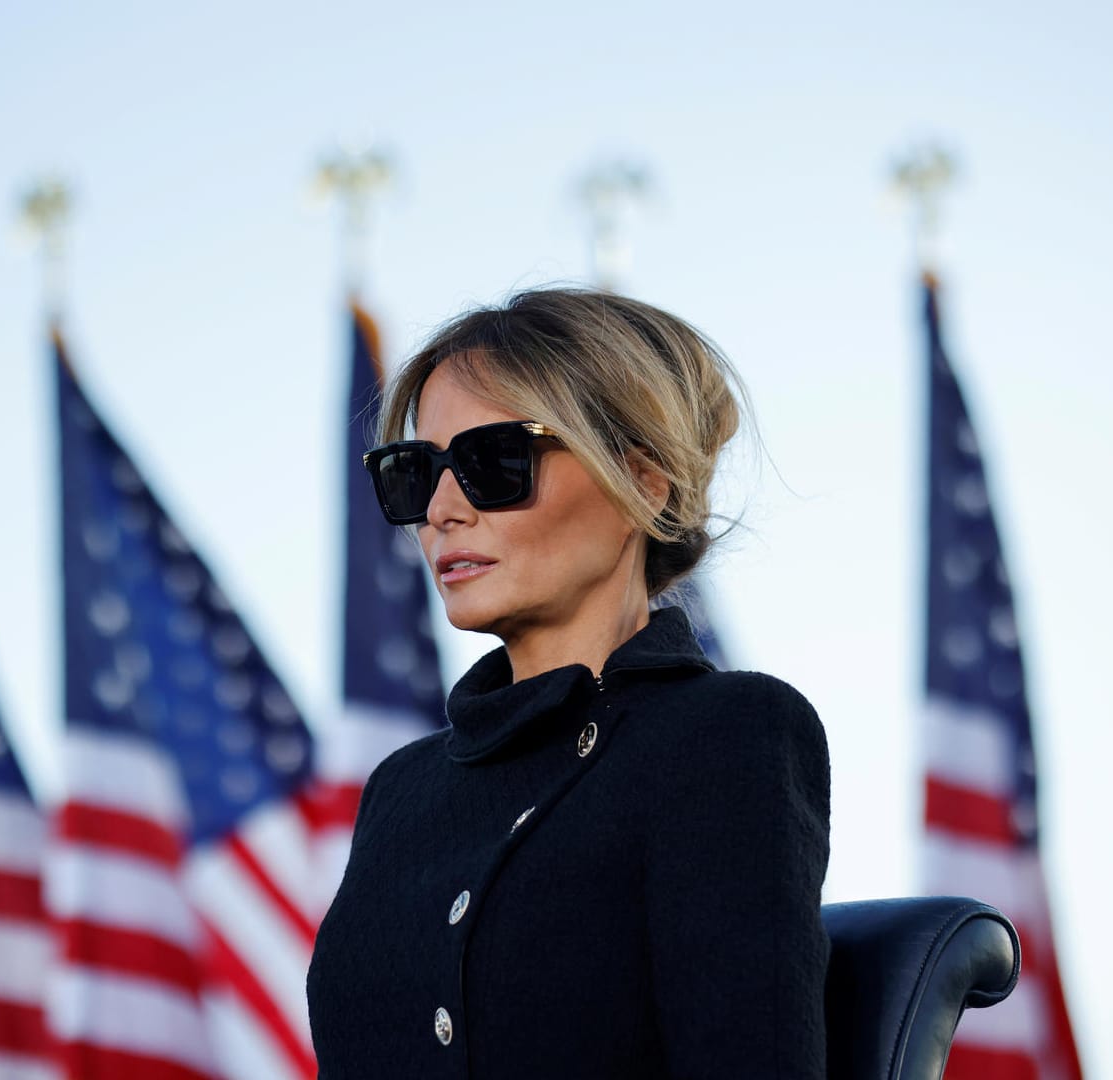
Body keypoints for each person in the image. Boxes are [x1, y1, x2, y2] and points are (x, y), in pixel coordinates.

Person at [306, 287, 830, 1079]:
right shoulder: (399, 789)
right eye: (414, 474)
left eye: (493, 462)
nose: (442, 510)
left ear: (642, 483)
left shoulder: (726, 733)